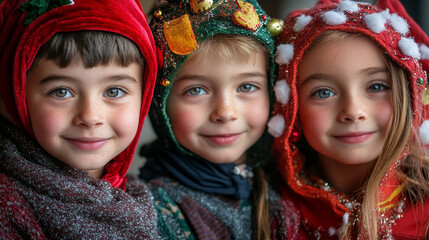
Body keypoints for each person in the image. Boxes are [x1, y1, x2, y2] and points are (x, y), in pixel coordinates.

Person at [268, 0, 429, 239]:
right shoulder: (269, 212)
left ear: (409, 95)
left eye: (376, 86)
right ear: (291, 107)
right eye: (324, 92)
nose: (353, 111)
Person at [139, 0, 300, 239]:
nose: (225, 112)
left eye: (247, 86)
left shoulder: (291, 184)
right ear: (160, 103)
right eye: (196, 90)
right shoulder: (152, 214)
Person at [0, 0, 159, 238]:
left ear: (144, 96)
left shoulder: (141, 194)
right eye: (61, 91)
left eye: (114, 91)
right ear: (18, 96)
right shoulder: (7, 209)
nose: (90, 117)